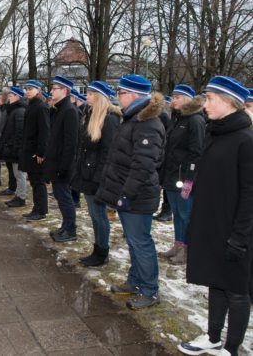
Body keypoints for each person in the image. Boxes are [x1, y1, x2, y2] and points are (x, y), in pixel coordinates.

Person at [178, 76, 253, 356]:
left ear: (228, 102)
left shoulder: (246, 140)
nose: (205, 104)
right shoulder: (215, 132)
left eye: (209, 98)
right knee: (215, 282)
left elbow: (250, 194)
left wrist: (239, 237)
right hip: (210, 224)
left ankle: (231, 348)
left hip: (234, 230)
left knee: (236, 289)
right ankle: (212, 336)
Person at [96, 74, 165, 310]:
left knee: (141, 242)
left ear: (135, 95)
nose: (118, 97)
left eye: (121, 93)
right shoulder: (134, 119)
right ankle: (135, 281)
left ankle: (150, 290)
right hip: (128, 193)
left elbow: (143, 166)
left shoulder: (148, 124)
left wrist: (126, 195)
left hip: (137, 196)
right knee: (135, 243)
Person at [72, 81, 121, 265]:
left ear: (100, 97)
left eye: (91, 93)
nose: (87, 96)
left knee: (99, 216)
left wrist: (99, 177)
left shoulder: (109, 119)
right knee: (93, 214)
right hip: (87, 173)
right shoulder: (90, 114)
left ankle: (102, 252)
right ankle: (97, 249)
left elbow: (108, 152)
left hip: (96, 176)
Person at [158, 84, 205, 265]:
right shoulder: (176, 118)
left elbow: (197, 152)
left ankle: (185, 250)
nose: (174, 100)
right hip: (171, 175)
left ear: (187, 99)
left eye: (178, 97)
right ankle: (177, 245)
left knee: (185, 214)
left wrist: (189, 179)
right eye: (174, 96)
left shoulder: (195, 120)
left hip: (183, 178)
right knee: (177, 213)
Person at [43, 76, 80, 242]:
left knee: (65, 198)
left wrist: (63, 168)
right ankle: (65, 226)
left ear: (64, 90)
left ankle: (71, 230)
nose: (51, 91)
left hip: (62, 166)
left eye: (54, 88)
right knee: (60, 196)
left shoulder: (69, 111)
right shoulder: (58, 109)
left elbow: (70, 144)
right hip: (56, 163)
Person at [19, 80, 50, 221]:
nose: (27, 91)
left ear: (38, 90)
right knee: (34, 181)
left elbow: (45, 131)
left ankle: (41, 210)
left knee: (38, 182)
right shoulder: (32, 106)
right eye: (26, 89)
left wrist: (41, 152)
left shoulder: (41, 107)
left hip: (36, 153)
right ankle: (36, 208)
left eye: (30, 89)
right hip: (30, 150)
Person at [0, 86, 28, 207]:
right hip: (12, 147)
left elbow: (19, 132)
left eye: (10, 96)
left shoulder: (19, 111)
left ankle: (21, 197)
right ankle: (18, 195)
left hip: (17, 149)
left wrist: (16, 148)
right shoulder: (13, 110)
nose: (8, 98)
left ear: (17, 97)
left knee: (20, 175)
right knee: (16, 174)